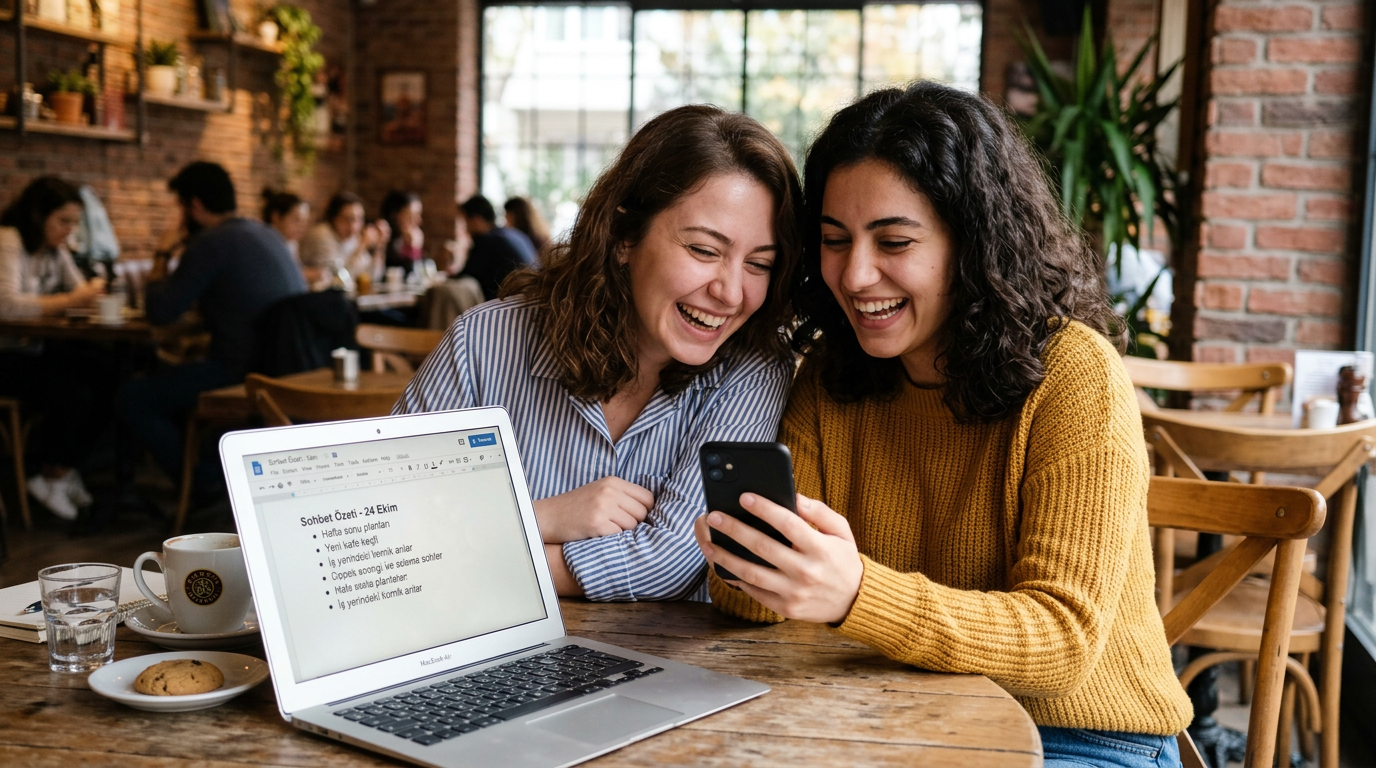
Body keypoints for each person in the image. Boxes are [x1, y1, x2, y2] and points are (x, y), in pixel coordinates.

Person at [693, 82, 1194, 766]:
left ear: (975, 242)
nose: (856, 274)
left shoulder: (1075, 374)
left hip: (1081, 737)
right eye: (834, 241)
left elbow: (1060, 643)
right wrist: (754, 565)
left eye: (893, 241)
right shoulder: (832, 377)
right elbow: (761, 610)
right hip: (890, 715)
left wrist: (856, 593)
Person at [396, 105, 801, 602]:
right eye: (703, 250)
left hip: (665, 670)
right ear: (625, 236)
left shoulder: (754, 368)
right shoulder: (483, 342)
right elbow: (391, 532)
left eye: (759, 263)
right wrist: (543, 515)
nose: (732, 293)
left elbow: (670, 560)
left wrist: (471, 550)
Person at [120, 161, 307, 491]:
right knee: (167, 380)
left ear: (194, 205)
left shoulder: (210, 242)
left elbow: (159, 312)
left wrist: (163, 251)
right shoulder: (265, 233)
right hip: (288, 366)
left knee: (132, 397)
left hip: (241, 372)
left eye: (180, 207)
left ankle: (203, 486)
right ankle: (210, 474)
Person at [0, 176, 106, 520]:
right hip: (6, 355)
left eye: (74, 222)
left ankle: (61, 472)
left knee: (109, 373)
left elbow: (83, 294)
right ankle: (47, 474)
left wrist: (87, 295)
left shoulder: (54, 249)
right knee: (75, 391)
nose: (69, 231)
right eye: (63, 221)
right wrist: (76, 298)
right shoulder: (9, 240)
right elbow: (7, 306)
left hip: (32, 350)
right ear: (36, 215)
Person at [298, 192, 389, 291]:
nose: (353, 226)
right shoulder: (321, 234)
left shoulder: (353, 238)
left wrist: (380, 246)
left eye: (359, 219)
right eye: (347, 219)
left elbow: (372, 276)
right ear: (334, 218)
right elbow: (338, 277)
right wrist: (361, 247)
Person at [454, 195, 537, 301]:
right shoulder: (514, 234)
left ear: (476, 220)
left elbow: (467, 275)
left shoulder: (486, 240)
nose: (466, 230)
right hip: (532, 298)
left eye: (466, 223)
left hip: (511, 303)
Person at [380, 190, 423, 274]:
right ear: (394, 215)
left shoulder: (410, 237)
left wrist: (413, 247)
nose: (418, 220)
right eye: (412, 215)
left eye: (419, 215)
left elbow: (415, 276)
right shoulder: (382, 236)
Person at [261, 189, 311, 260]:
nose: (301, 227)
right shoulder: (263, 245)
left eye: (304, 222)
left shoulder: (291, 244)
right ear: (276, 218)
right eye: (296, 220)